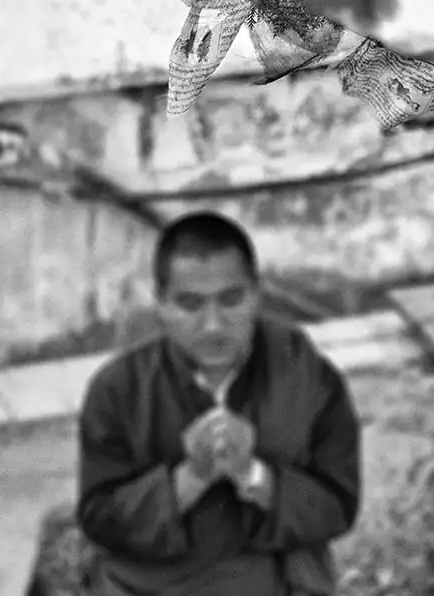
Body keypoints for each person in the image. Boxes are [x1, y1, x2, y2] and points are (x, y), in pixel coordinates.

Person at [76, 211, 362, 596]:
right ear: (161, 304)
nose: (213, 325)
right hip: (153, 583)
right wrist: (190, 478)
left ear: (256, 295)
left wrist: (255, 476)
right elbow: (98, 519)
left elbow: (339, 507)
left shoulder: (304, 373)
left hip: (271, 578)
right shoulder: (118, 389)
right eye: (190, 304)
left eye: (231, 300)